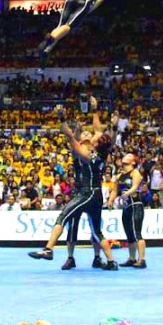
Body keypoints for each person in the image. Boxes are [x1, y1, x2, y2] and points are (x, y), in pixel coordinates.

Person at [28, 105, 118, 271]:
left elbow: (70, 137)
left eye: (90, 136)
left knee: (63, 217)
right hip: (95, 195)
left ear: (93, 143)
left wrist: (62, 118)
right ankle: (111, 261)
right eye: (85, 135)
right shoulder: (102, 154)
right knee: (96, 231)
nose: (88, 135)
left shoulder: (86, 155)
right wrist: (114, 126)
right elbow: (107, 139)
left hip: (86, 193)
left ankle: (48, 249)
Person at [36, 0, 112, 67]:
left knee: (60, 27)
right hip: (85, 1)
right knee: (69, 26)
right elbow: (100, 0)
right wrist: (89, 8)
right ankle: (47, 41)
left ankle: (47, 49)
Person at [106, 153, 146, 268]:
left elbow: (135, 187)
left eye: (129, 156)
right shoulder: (119, 176)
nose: (125, 156)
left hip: (135, 205)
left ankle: (142, 260)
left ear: (133, 162)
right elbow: (115, 190)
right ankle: (132, 258)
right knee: (129, 234)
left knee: (137, 233)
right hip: (126, 207)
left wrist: (127, 194)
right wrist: (110, 200)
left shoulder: (135, 172)